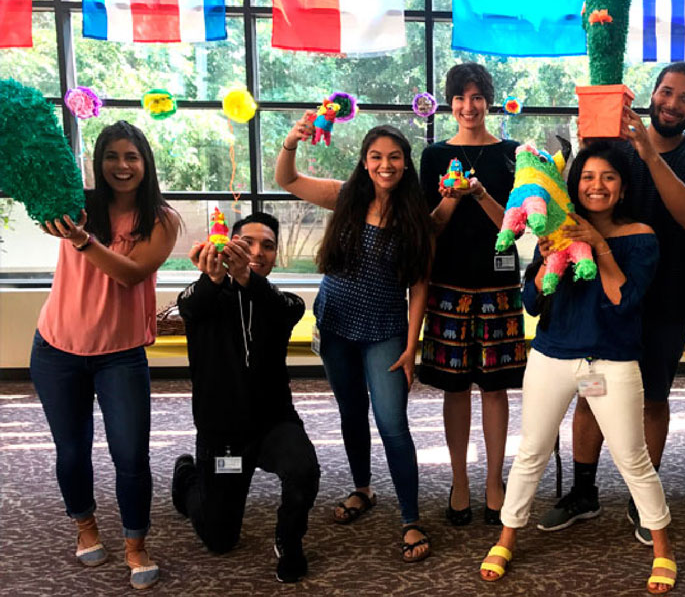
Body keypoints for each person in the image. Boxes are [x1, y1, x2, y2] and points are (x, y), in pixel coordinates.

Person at [539, 63, 685, 545]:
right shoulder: (615, 150)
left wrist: (647, 153)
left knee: (653, 397)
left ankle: (644, 502)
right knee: (591, 392)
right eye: (667, 92)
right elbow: (581, 194)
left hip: (666, 299)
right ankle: (583, 493)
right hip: (603, 291)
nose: (672, 104)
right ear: (651, 94)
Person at [478, 141, 676, 593]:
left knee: (632, 459)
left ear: (622, 188)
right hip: (551, 354)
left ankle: (663, 548)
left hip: (611, 360)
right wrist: (549, 257)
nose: (596, 186)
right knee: (532, 451)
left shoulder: (641, 235)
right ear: (574, 184)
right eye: (587, 177)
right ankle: (507, 537)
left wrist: (599, 245)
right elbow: (531, 303)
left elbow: (623, 301)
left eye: (608, 178)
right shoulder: (556, 226)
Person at [276, 121, 434, 562]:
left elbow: (420, 285)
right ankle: (362, 490)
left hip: (385, 330)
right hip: (336, 325)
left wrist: (411, 345)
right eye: (377, 156)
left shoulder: (414, 214)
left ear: (405, 163)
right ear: (365, 162)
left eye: (395, 157)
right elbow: (286, 179)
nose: (386, 165)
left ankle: (410, 517)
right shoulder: (345, 196)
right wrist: (293, 140)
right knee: (350, 412)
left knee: (393, 425)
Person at [31, 120, 179, 590]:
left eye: (131, 157)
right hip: (56, 348)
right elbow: (32, 187)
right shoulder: (78, 205)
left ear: (146, 163)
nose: (122, 166)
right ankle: (85, 527)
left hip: (121, 355)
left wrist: (82, 240)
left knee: (130, 455)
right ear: (99, 162)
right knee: (72, 451)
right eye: (112, 157)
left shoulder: (161, 219)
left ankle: (136, 545)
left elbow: (132, 274)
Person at [171, 212, 320, 583]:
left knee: (304, 470)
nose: (258, 251)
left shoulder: (281, 302)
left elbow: (285, 307)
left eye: (267, 245)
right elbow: (188, 306)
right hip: (223, 436)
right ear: (228, 245)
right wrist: (215, 277)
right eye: (248, 243)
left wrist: (245, 279)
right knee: (219, 539)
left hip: (273, 424)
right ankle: (186, 477)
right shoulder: (201, 297)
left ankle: (288, 541)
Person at [418, 62, 525, 526]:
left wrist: (479, 193)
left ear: (490, 101)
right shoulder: (433, 156)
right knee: (455, 388)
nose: (468, 107)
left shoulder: (513, 154)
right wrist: (451, 196)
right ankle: (459, 479)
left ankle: (493, 481)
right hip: (447, 284)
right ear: (449, 103)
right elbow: (430, 229)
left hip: (499, 284)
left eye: (477, 97)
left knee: (496, 388)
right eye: (460, 98)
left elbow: (516, 227)